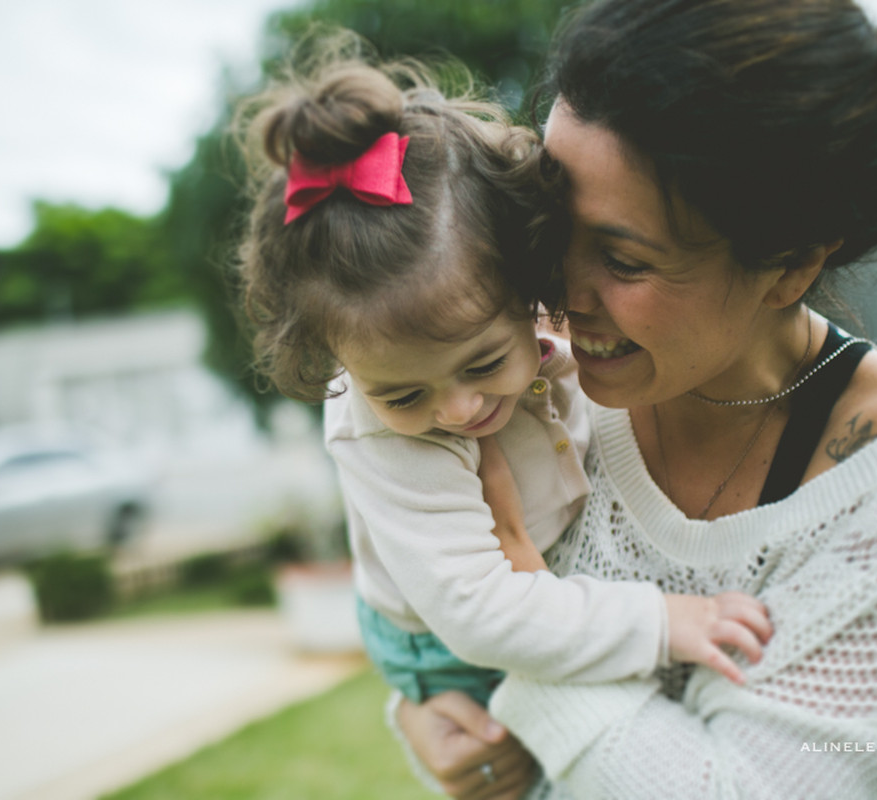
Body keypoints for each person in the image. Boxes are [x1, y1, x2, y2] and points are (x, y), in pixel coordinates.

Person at [395, 0, 877, 797]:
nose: (554, 286)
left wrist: (521, 628)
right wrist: (425, 702)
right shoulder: (521, 373)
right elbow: (404, 553)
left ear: (791, 264)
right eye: (549, 224)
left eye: (622, 260)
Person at [235, 45, 772, 779]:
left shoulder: (555, 340)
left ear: (527, 286)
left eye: (484, 363)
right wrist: (661, 623)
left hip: (522, 595)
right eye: (401, 394)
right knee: (532, 773)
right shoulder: (379, 435)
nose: (457, 409)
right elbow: (484, 614)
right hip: (451, 644)